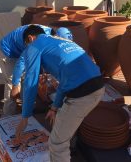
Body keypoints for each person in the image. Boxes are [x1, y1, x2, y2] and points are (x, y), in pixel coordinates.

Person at [15, 26, 104, 162]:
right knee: (64, 123)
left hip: (82, 95)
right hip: (98, 87)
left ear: (30, 38)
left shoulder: (34, 45)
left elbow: (30, 82)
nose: (27, 49)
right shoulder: (60, 40)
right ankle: (71, 146)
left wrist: (25, 116)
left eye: (26, 46)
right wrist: (54, 107)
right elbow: (64, 80)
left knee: (57, 143)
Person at [0, 24, 73, 115]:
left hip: (20, 51)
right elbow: (21, 63)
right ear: (55, 37)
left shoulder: (50, 36)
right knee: (12, 84)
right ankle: (7, 117)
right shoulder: (37, 40)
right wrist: (15, 85)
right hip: (7, 52)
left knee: (26, 81)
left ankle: (27, 111)